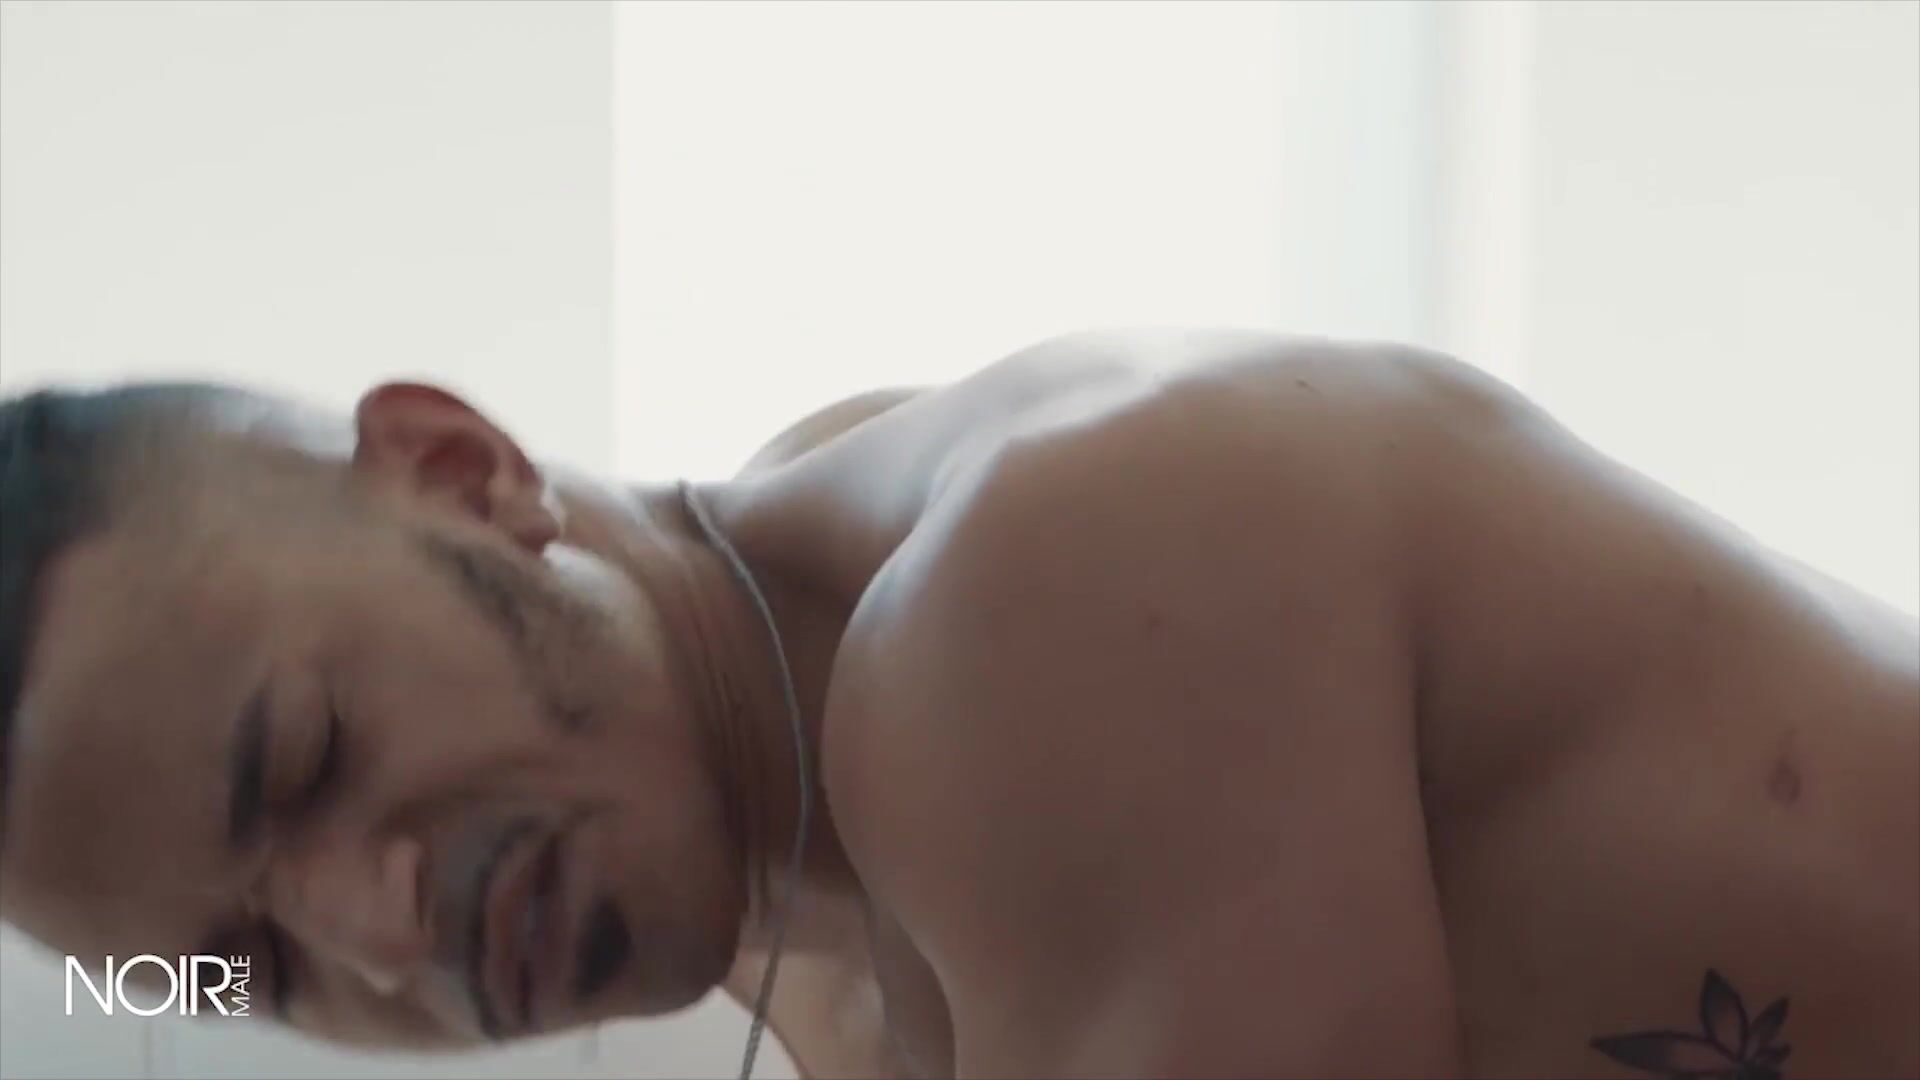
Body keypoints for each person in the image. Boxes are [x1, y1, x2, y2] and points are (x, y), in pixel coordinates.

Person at [0, 330, 1914, 1079]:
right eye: (252, 968)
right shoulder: (827, 952)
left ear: (459, 471)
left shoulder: (1031, 597)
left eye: (306, 762)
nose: (380, 932)